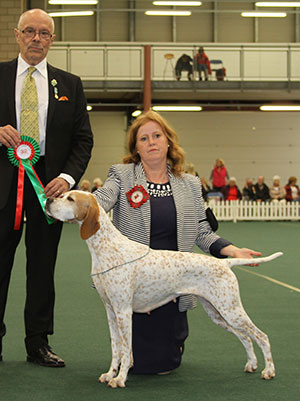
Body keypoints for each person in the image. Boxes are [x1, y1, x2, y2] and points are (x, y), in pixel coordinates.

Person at [93, 110, 261, 375]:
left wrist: (232, 250)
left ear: (168, 141)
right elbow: (100, 199)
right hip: (136, 285)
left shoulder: (190, 184)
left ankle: (172, 340)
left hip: (172, 287)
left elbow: (202, 233)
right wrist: (76, 203)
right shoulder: (122, 175)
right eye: (143, 138)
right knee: (141, 366)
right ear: (135, 148)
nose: (151, 142)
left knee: (163, 367)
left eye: (156, 136)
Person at [0, 9, 93, 367]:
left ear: (52, 39)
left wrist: (67, 179)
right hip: (5, 188)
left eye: (44, 33)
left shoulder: (70, 84)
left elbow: (83, 140)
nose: (36, 38)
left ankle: (38, 343)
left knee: (42, 268)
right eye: (29, 32)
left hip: (48, 192)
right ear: (17, 34)